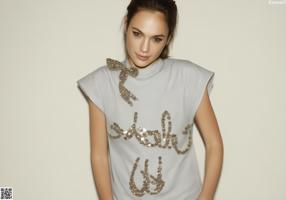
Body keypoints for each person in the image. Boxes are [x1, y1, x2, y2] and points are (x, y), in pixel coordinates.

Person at [77, 0, 224, 199]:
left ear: (168, 38)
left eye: (156, 39)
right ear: (126, 24)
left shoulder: (188, 77)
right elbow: (99, 155)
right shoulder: (102, 82)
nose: (144, 48)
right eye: (137, 34)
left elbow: (214, 144)